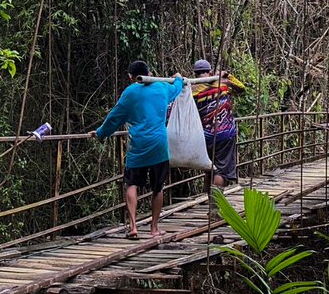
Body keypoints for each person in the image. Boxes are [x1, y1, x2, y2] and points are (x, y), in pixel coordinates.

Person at [92, 60, 184, 239]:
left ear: (131, 77)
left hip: (138, 146)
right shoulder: (162, 87)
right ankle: (154, 228)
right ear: (149, 73)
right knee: (158, 188)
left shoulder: (130, 93)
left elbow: (114, 117)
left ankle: (133, 227)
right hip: (159, 145)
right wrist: (179, 78)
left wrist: (101, 133)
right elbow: (176, 89)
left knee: (132, 184)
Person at [190, 59, 245, 189]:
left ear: (195, 73)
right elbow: (241, 88)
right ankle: (216, 202)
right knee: (220, 171)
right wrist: (227, 76)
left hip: (204, 136)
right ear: (210, 72)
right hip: (225, 134)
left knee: (209, 169)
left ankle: (210, 199)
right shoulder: (222, 84)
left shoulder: (192, 90)